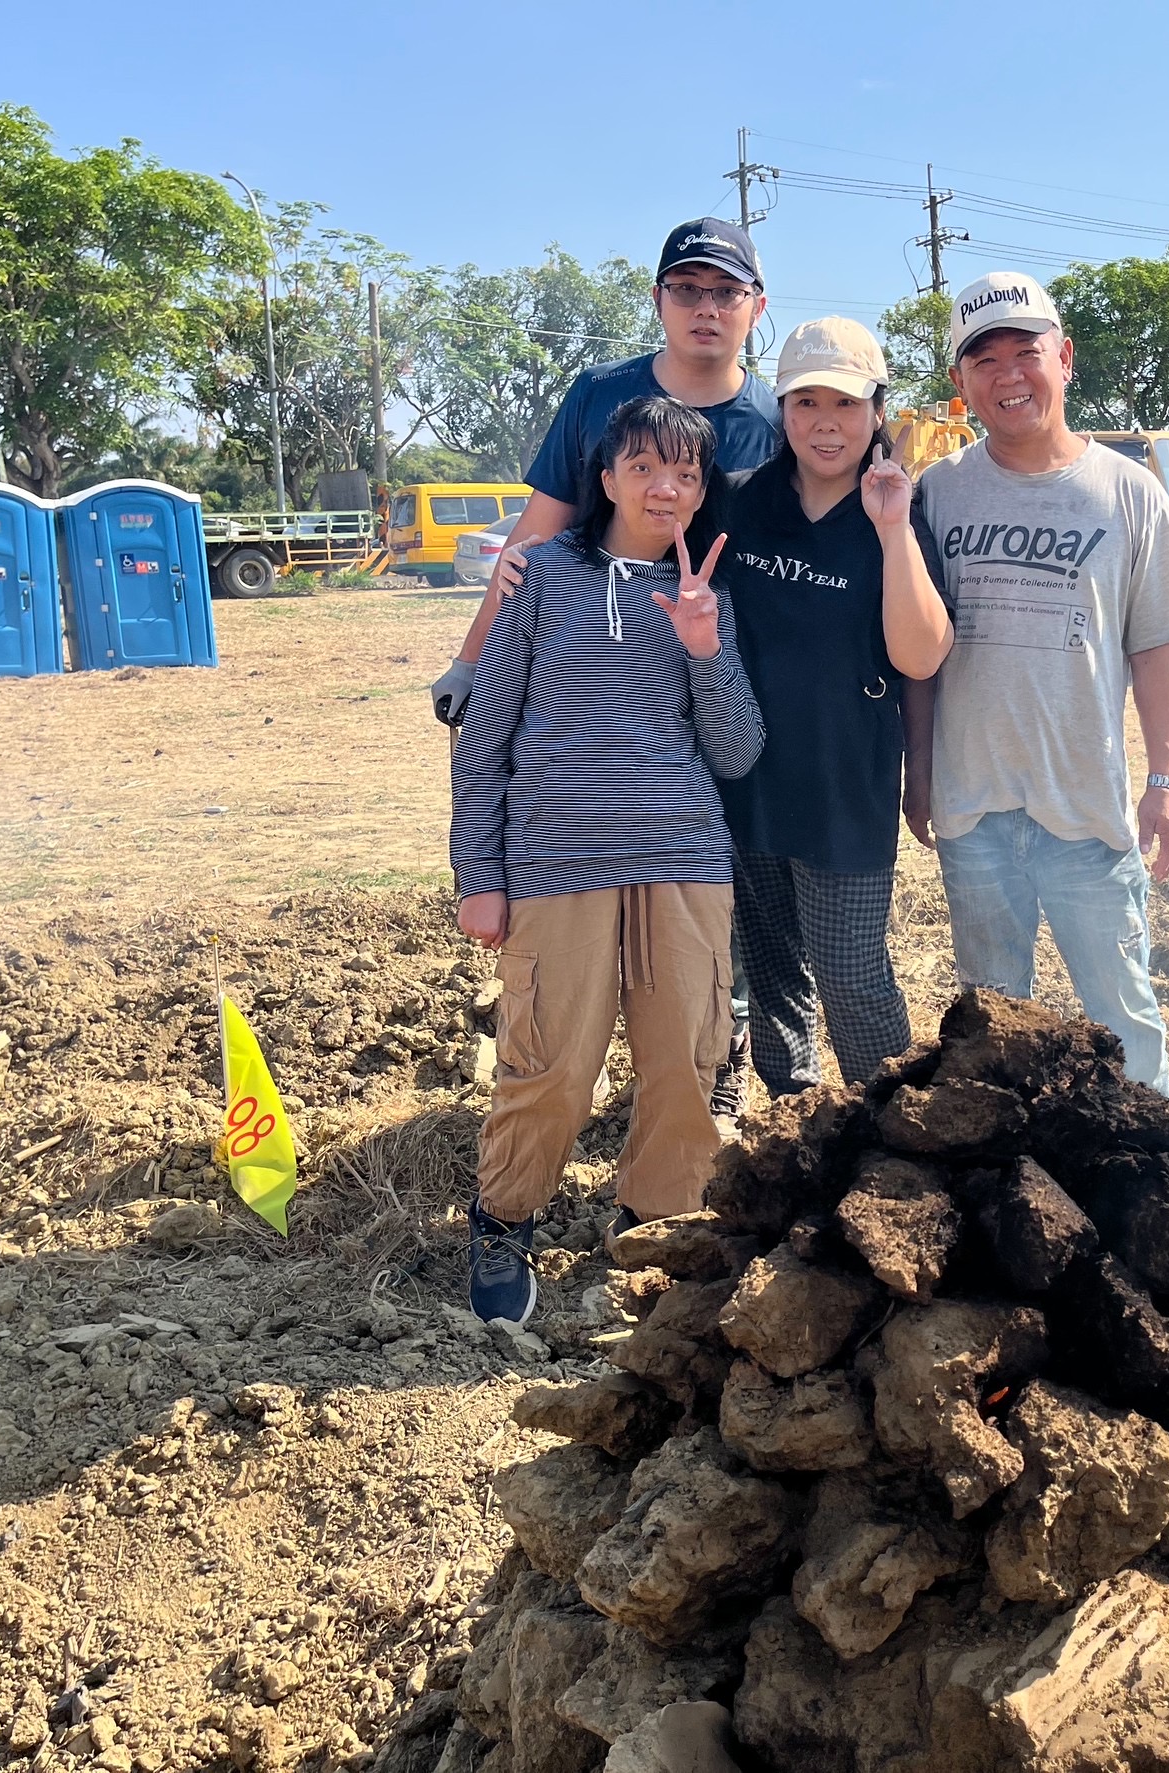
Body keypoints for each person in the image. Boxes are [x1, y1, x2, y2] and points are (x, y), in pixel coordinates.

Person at [431, 216, 781, 1118]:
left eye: (726, 292)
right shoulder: (599, 396)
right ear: (659, 300)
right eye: (688, 290)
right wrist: (472, 657)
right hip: (605, 663)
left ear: (756, 307)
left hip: (724, 660)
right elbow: (534, 536)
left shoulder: (775, 420)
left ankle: (720, 1052)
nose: (706, 308)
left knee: (716, 874)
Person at [449, 396, 763, 1324]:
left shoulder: (709, 594)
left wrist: (704, 646)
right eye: (645, 468)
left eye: (686, 474)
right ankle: (505, 1219)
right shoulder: (540, 576)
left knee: (686, 1064)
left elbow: (738, 749)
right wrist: (480, 874)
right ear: (608, 477)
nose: (666, 488)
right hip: (559, 859)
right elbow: (483, 738)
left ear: (702, 490)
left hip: (683, 853)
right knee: (550, 1062)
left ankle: (657, 1224)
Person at [917, 272, 1169, 1098]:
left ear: (1066, 358)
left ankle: (1154, 1160)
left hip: (1086, 813)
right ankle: (1009, 1164)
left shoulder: (1129, 493)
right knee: (991, 1024)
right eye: (984, 360)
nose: (1008, 375)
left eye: (1027, 352)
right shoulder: (938, 493)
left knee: (1123, 1019)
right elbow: (919, 654)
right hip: (973, 813)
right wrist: (919, 777)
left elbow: (1158, 654)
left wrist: (1166, 781)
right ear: (960, 380)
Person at [719, 317, 954, 1096]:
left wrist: (891, 531)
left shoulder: (895, 512)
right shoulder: (739, 502)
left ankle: (891, 1119)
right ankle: (797, 1112)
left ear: (877, 411)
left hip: (847, 781)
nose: (826, 423)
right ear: (781, 408)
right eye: (806, 402)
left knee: (852, 972)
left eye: (847, 404)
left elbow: (921, 658)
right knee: (772, 967)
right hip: (747, 777)